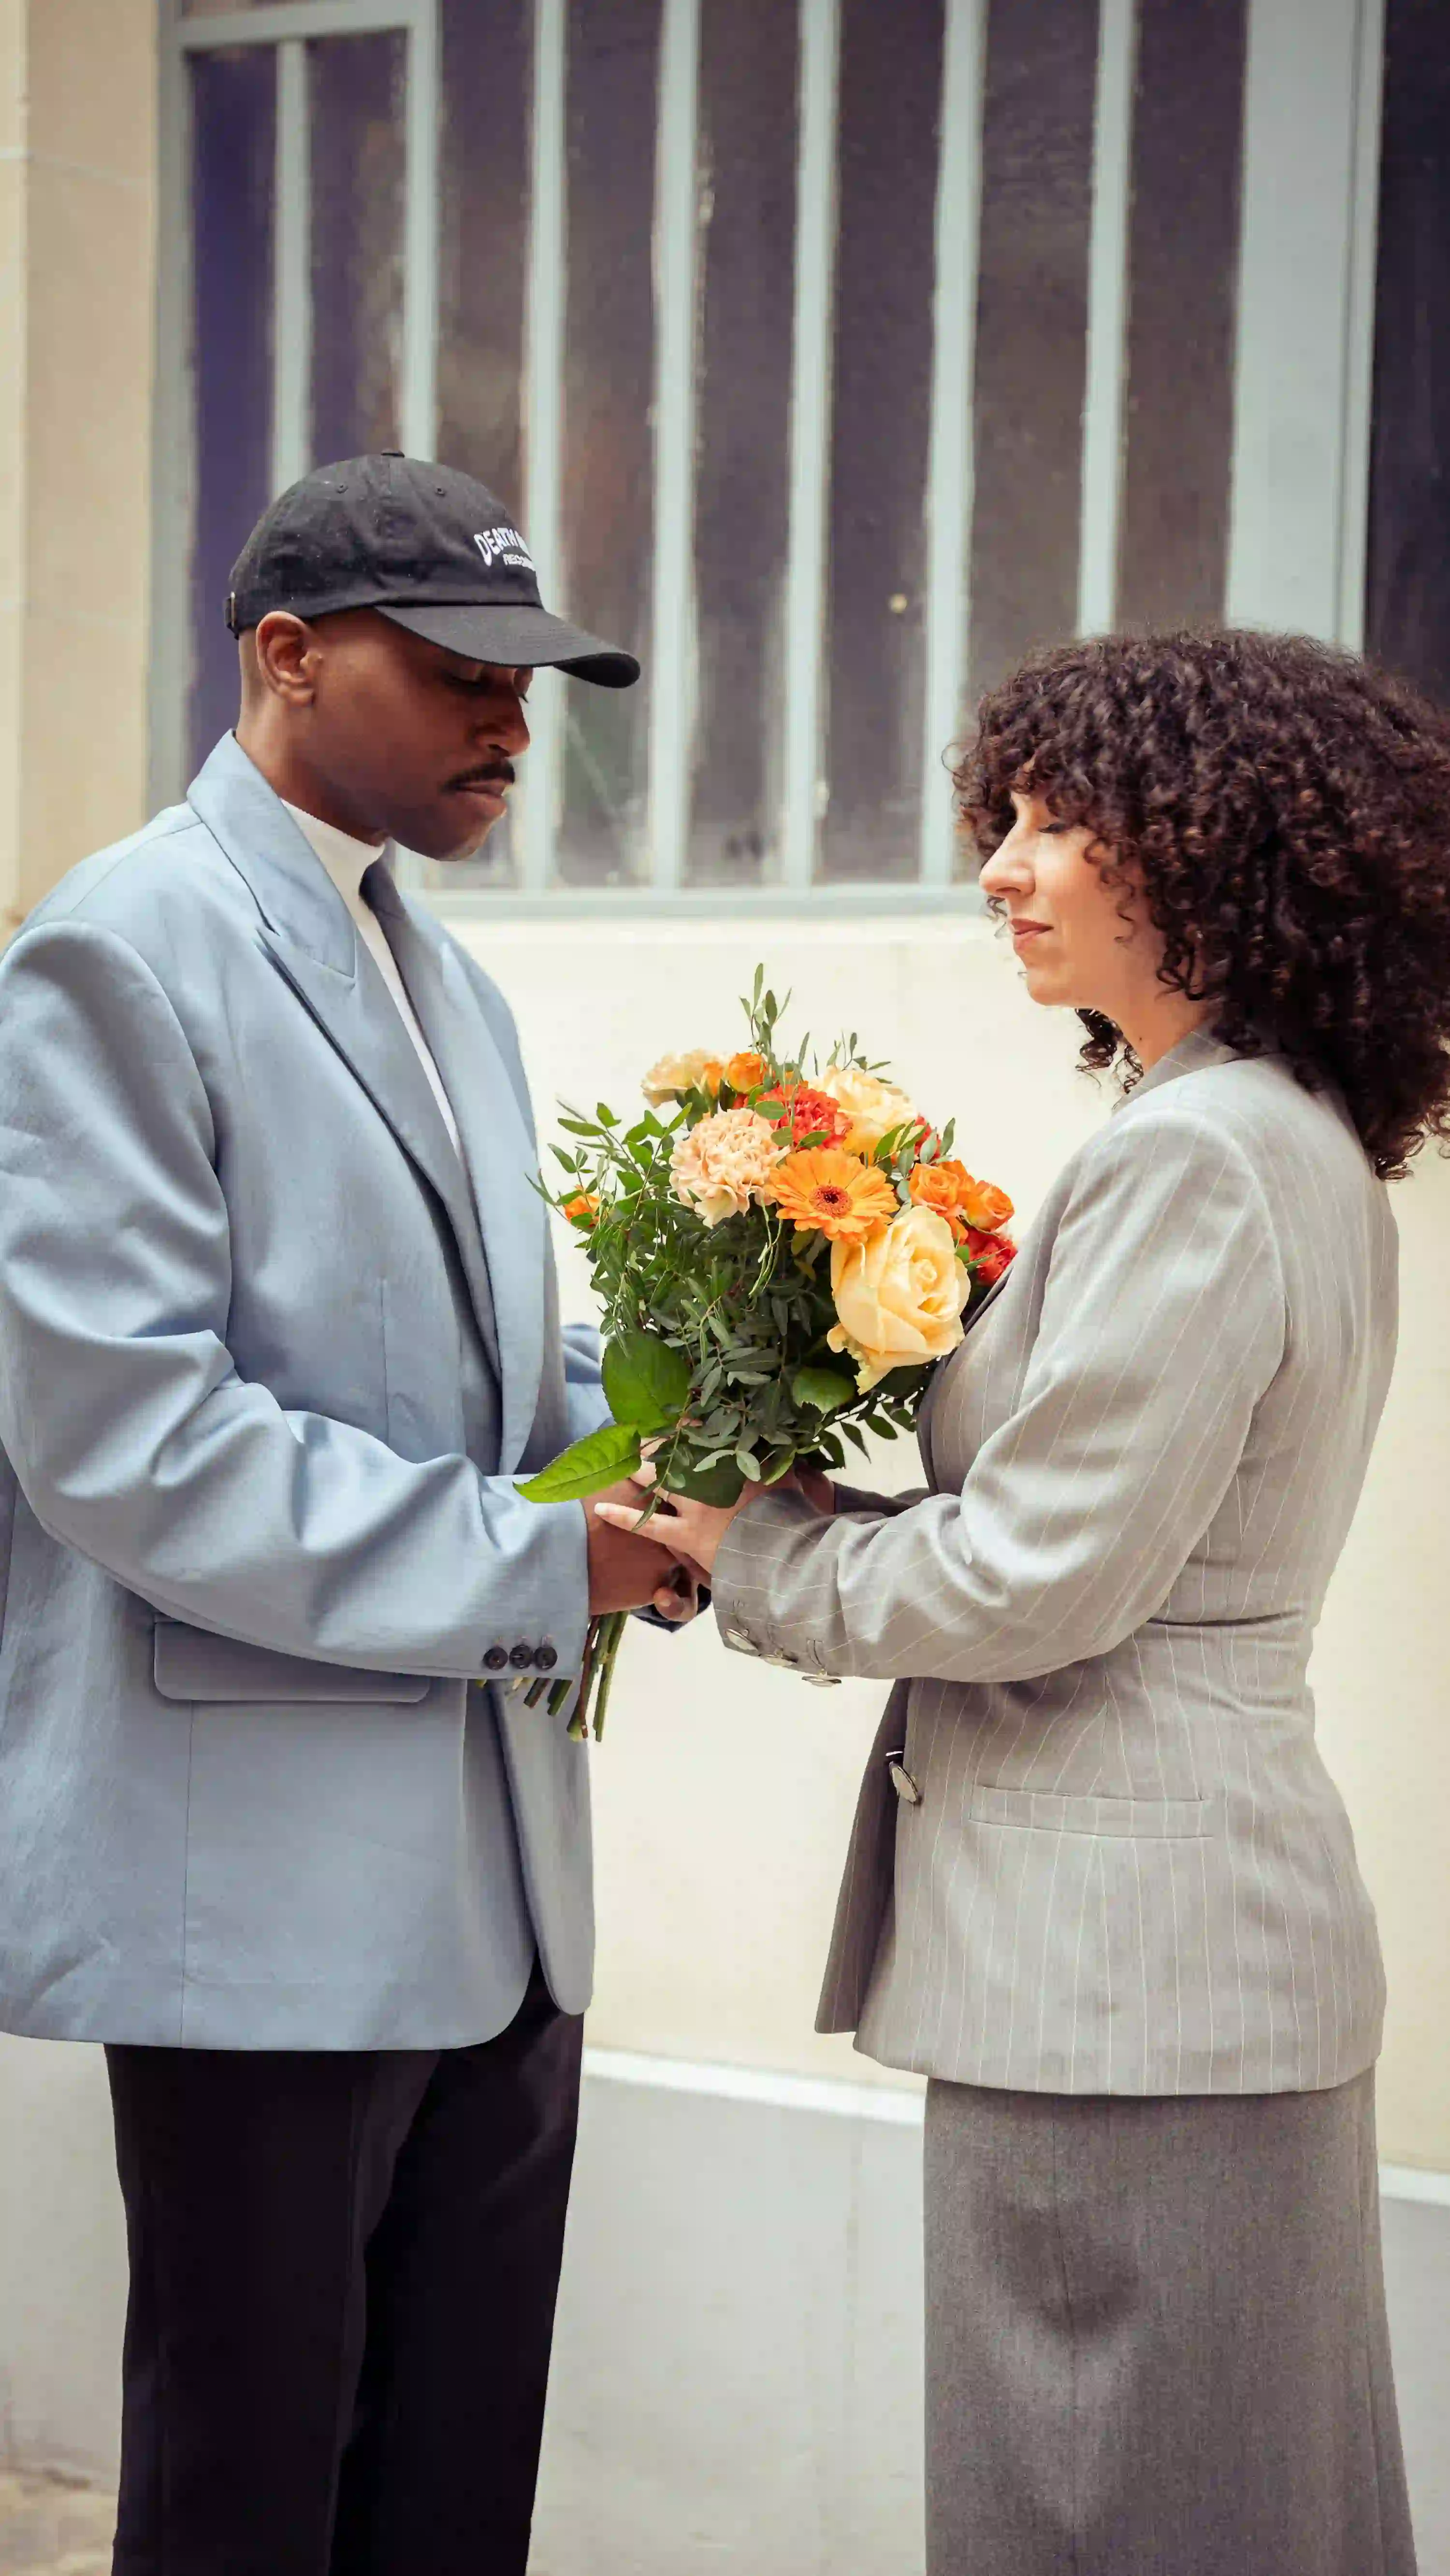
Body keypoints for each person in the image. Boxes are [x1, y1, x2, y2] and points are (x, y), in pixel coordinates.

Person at [598, 628, 1450, 2575]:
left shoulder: (1203, 1161)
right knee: (1228, 2503)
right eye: (1012, 813)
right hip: (1179, 1963)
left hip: (1120, 1981)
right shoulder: (1257, 1130)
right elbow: (1096, 1529)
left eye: (1065, 823)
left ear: (1221, 853)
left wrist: (752, 1551)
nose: (1004, 860)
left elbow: (1041, 1576)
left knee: (1103, 2510)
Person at [0, 451, 690, 2576]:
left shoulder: (442, 977)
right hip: (265, 1917)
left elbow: (501, 1374)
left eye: (533, 677)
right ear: (283, 658)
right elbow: (131, 1441)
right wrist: (535, 1557)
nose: (510, 720)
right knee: (247, 2502)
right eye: (462, 668)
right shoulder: (122, 946)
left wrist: (701, 1437)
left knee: (449, 2498)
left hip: (499, 1903)